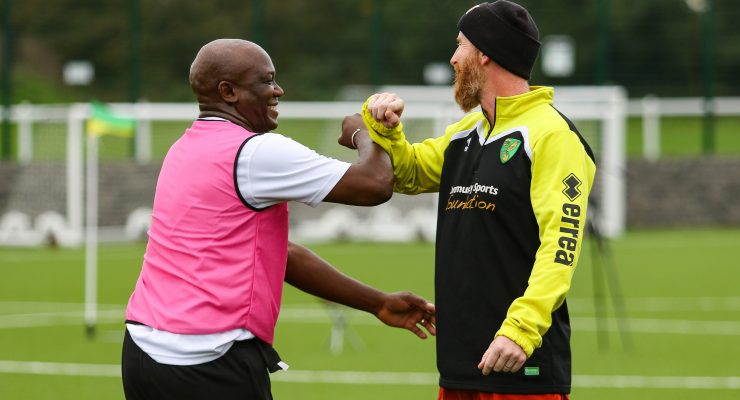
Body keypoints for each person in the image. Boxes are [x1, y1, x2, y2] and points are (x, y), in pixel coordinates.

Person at [121, 38, 436, 400]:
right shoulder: (256, 151)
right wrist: (363, 132)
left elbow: (276, 254)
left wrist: (377, 302)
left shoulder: (185, 148)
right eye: (267, 81)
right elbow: (375, 185)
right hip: (209, 360)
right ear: (229, 92)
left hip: (142, 354)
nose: (278, 90)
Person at [341, 1, 596, 399]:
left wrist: (521, 331)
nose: (453, 58)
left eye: (460, 45)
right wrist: (386, 128)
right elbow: (407, 173)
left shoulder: (551, 135)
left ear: (485, 53)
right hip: (460, 366)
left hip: (519, 362)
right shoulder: (466, 132)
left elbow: (560, 246)